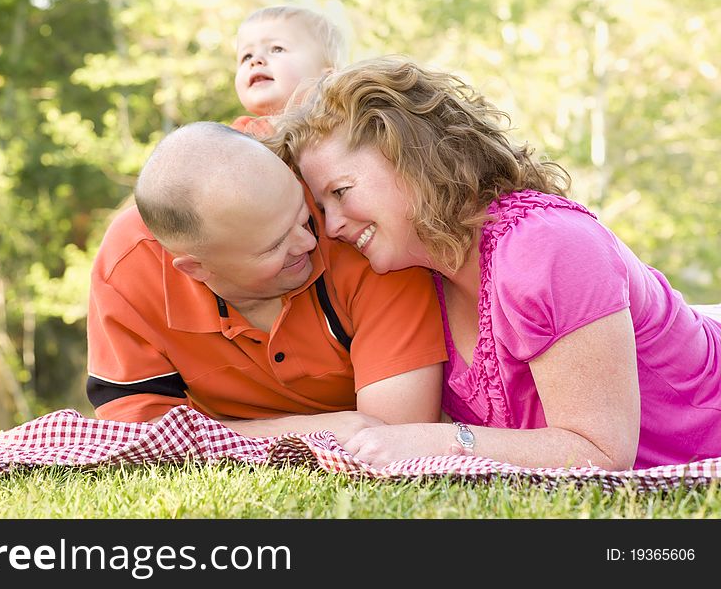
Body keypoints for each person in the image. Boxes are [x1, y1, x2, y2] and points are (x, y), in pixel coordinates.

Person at [270, 55, 721, 470]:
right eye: (321, 209)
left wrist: (436, 441)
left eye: (341, 193)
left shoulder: (547, 246)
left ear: (409, 158)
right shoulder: (419, 279)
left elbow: (600, 452)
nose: (331, 228)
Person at [86, 121, 447, 441]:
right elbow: (136, 437)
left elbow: (393, 435)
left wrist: (209, 433)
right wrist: (310, 431)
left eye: (302, 213)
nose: (309, 240)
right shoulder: (129, 266)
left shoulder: (361, 236)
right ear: (197, 269)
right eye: (275, 245)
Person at [231, 5, 346, 139]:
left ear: (326, 78)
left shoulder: (343, 131)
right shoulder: (240, 136)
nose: (255, 60)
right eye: (247, 56)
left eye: (277, 49)